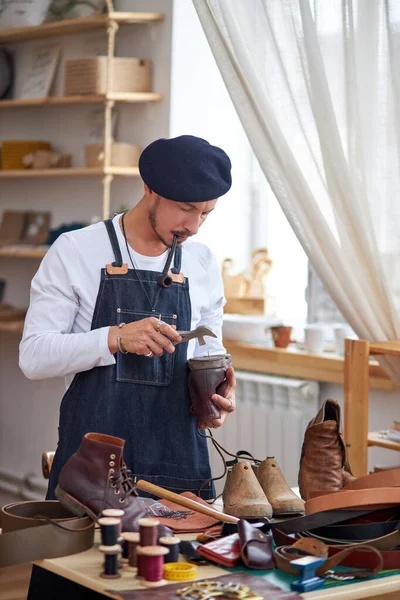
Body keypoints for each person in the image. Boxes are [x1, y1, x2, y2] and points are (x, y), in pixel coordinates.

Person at [19, 134, 236, 501]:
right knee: (83, 561)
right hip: (93, 470)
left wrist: (215, 394)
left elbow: (205, 347)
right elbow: (34, 357)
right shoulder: (76, 251)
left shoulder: (201, 262)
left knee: (183, 560)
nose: (194, 226)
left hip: (179, 465)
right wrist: (115, 337)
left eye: (205, 213)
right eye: (186, 208)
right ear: (149, 189)